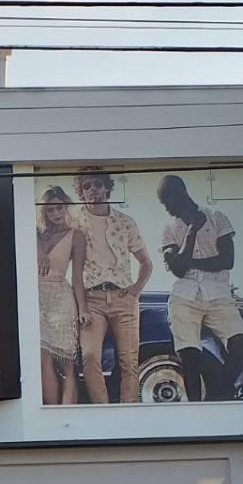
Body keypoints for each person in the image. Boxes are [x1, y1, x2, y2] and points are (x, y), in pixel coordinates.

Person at [156, 175, 243, 401]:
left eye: (167, 202)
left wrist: (187, 262)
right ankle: (195, 409)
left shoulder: (217, 218)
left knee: (241, 346)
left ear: (179, 194)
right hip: (184, 297)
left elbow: (227, 260)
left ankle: (218, 392)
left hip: (218, 295)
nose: (167, 208)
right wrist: (192, 230)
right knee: (189, 355)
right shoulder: (169, 229)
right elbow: (178, 271)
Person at [72, 171, 152, 404]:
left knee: (129, 360)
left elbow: (146, 263)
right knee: (89, 356)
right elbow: (75, 273)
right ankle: (102, 410)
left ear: (107, 188)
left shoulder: (125, 222)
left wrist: (135, 291)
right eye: (87, 186)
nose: (93, 190)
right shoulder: (74, 222)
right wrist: (82, 307)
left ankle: (128, 411)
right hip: (92, 300)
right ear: (81, 192)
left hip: (123, 297)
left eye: (98, 184)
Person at [36, 185, 88, 405]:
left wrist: (83, 309)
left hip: (61, 299)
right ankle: (50, 412)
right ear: (44, 211)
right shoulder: (35, 235)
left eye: (59, 208)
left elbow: (77, 278)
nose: (56, 213)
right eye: (50, 210)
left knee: (68, 364)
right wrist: (39, 251)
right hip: (37, 300)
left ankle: (67, 414)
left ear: (66, 206)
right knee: (43, 359)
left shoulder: (76, 236)